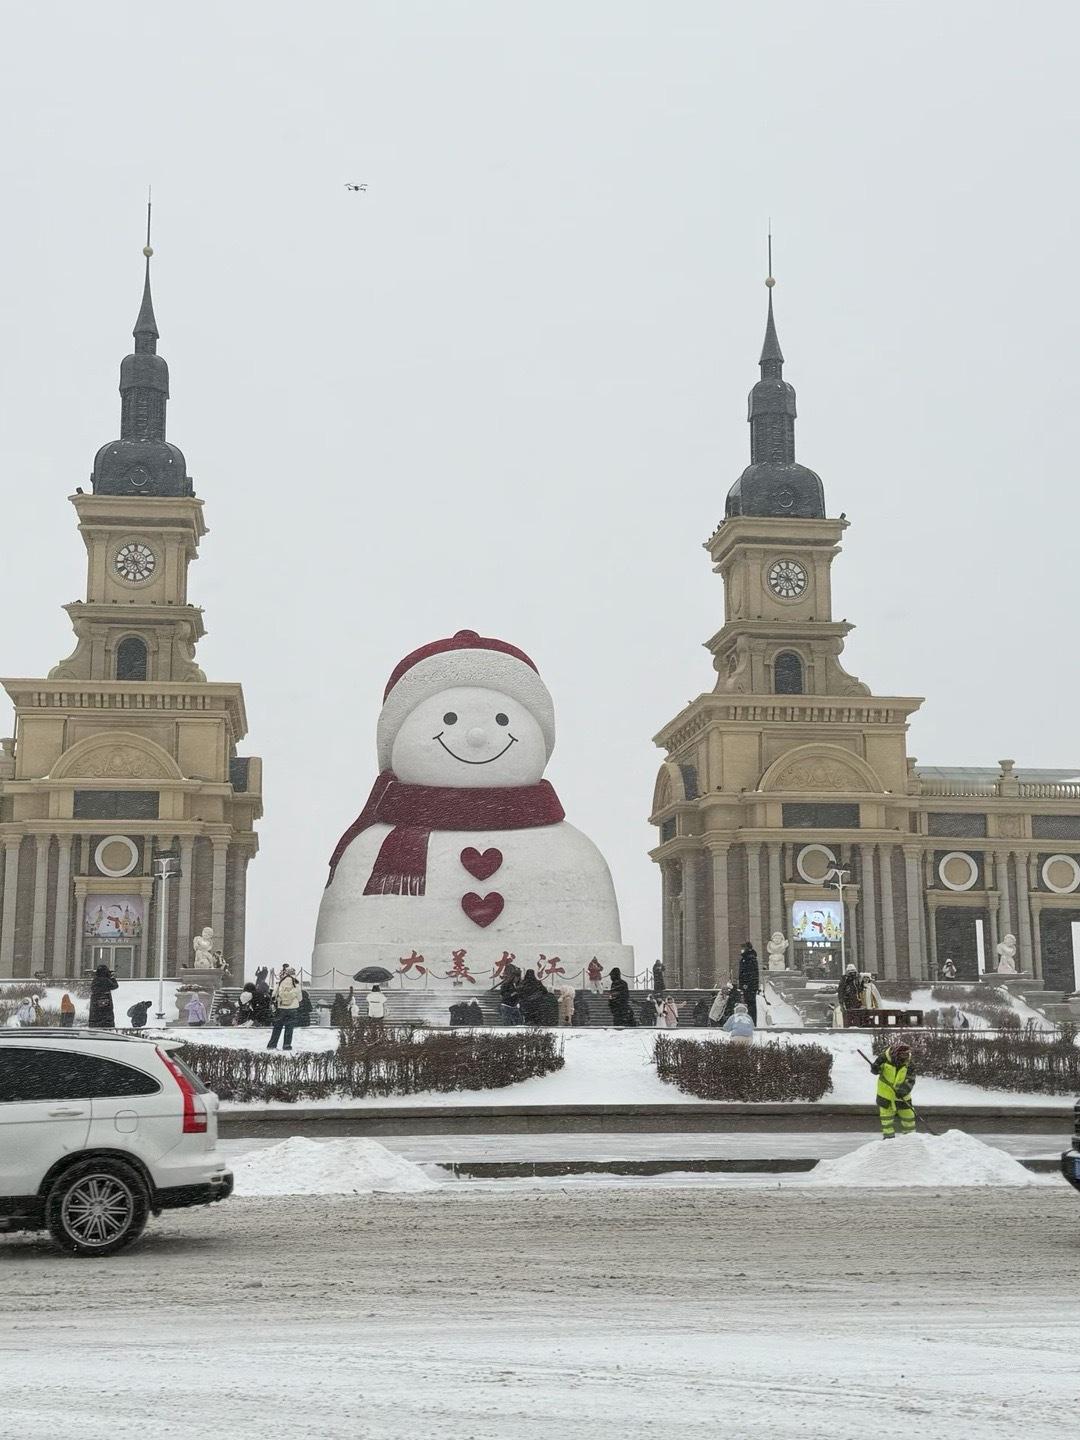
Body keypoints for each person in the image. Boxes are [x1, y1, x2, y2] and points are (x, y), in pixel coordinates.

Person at [870, 1041, 916, 1140]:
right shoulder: (884, 1059)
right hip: (885, 1096)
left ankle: (911, 1140)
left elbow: (911, 1079)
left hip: (902, 1096)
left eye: (906, 1054)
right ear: (896, 1053)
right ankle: (888, 1140)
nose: (905, 1057)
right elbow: (875, 1070)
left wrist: (903, 1090)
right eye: (902, 1055)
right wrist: (875, 1068)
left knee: (909, 1118)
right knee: (886, 1121)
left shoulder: (909, 1063)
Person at [267, 964, 302, 1050]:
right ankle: (287, 1045)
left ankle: (272, 1044)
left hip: (281, 1008)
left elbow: (274, 994)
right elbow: (300, 998)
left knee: (277, 1027)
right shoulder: (296, 983)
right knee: (289, 1028)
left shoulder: (281, 982)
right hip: (293, 1009)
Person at [738, 943, 760, 1024]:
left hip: (749, 987)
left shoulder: (750, 959)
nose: (742, 950)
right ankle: (749, 1021)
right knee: (748, 1005)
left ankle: (751, 1022)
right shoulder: (745, 959)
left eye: (743, 948)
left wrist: (746, 984)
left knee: (750, 1005)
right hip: (747, 986)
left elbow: (752, 974)